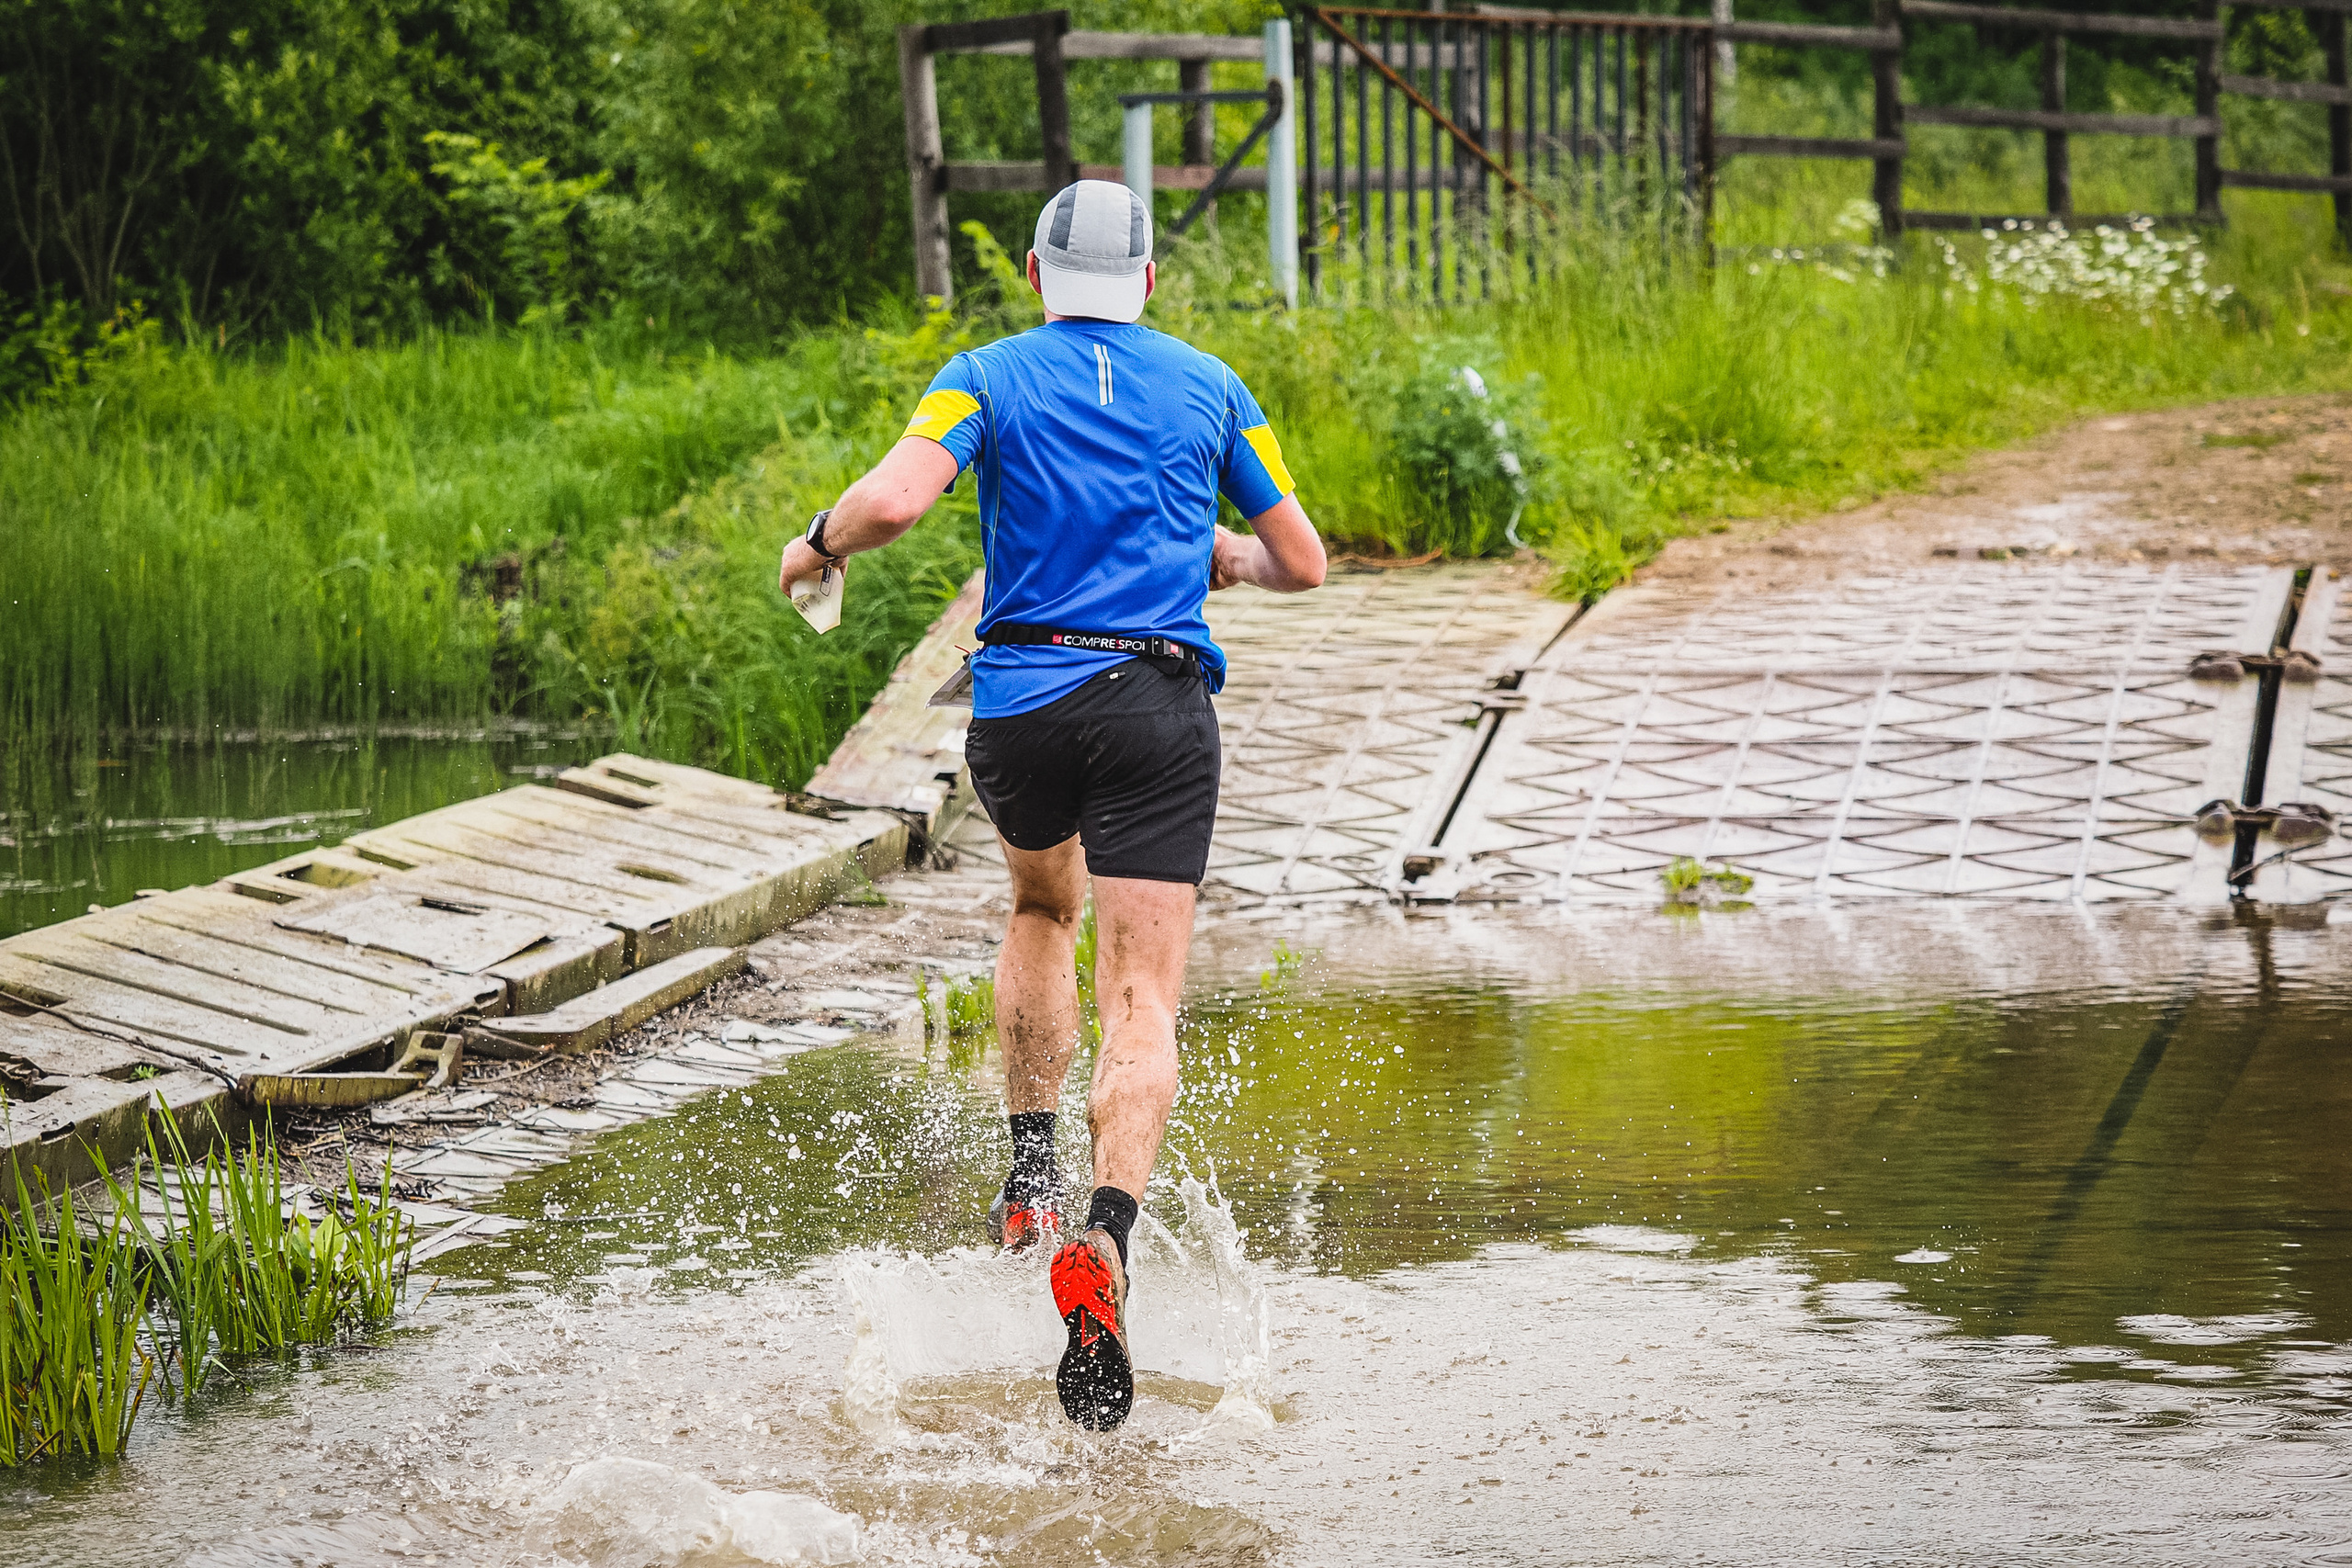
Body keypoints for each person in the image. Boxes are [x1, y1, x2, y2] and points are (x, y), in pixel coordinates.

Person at [776, 180, 1325, 1430]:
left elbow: (899, 502)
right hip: (1157, 711)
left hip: (1019, 710)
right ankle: (1107, 1238)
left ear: (1033, 275)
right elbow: (1302, 559)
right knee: (1144, 995)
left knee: (1038, 902)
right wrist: (1223, 555)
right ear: (1145, 282)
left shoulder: (982, 372)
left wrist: (820, 542)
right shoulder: (1214, 384)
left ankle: (1029, 1175)